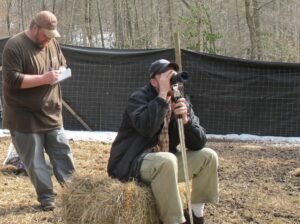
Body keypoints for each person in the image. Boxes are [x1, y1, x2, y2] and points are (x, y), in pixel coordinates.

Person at [107, 59, 219, 224]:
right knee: (167, 160)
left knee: (208, 156)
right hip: (133, 162)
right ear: (154, 82)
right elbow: (146, 128)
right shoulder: (138, 99)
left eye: (174, 76)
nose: (173, 80)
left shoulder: (181, 100)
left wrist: (186, 120)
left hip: (166, 164)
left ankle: (195, 212)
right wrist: (161, 99)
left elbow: (199, 143)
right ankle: (175, 220)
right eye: (167, 77)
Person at [2, 10, 75, 211]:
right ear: (34, 28)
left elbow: (62, 63)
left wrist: (60, 72)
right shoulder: (15, 46)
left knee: (63, 154)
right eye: (45, 34)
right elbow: (12, 79)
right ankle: (47, 199)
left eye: (52, 35)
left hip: (51, 114)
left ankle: (75, 194)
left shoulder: (52, 43)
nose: (48, 39)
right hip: (24, 118)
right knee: (35, 162)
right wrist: (44, 79)